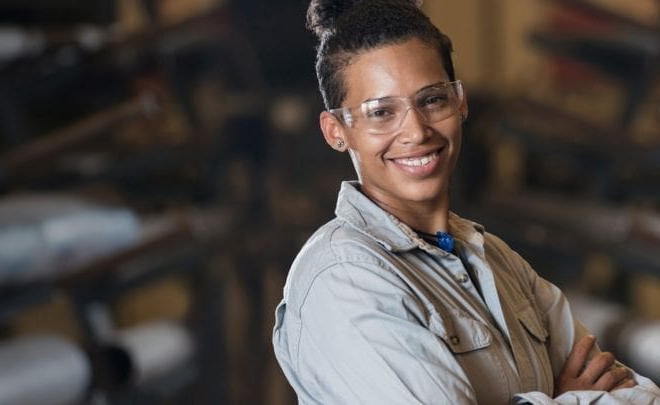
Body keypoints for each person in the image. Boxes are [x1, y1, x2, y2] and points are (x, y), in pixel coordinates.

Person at [271, 0, 660, 403]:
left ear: (460, 102)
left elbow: (639, 395)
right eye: (381, 112)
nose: (416, 132)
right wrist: (568, 398)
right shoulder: (344, 279)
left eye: (432, 100)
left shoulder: (498, 260)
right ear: (336, 130)